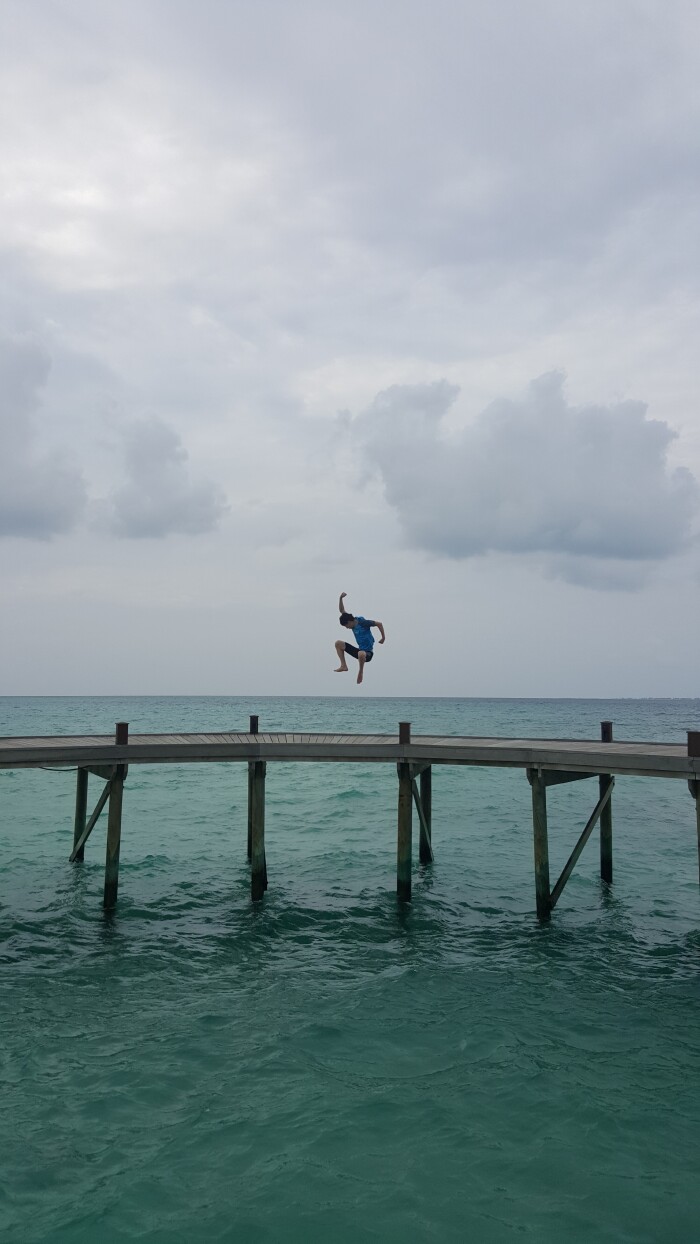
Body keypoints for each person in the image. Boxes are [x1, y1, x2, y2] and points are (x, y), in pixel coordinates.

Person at [334, 592, 385, 684]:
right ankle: (343, 666)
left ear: (350, 621)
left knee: (361, 653)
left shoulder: (363, 622)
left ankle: (360, 672)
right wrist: (340, 598)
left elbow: (379, 624)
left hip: (368, 654)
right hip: (359, 651)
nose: (347, 628)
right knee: (338, 643)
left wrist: (383, 638)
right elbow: (342, 610)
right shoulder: (350, 621)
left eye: (346, 625)